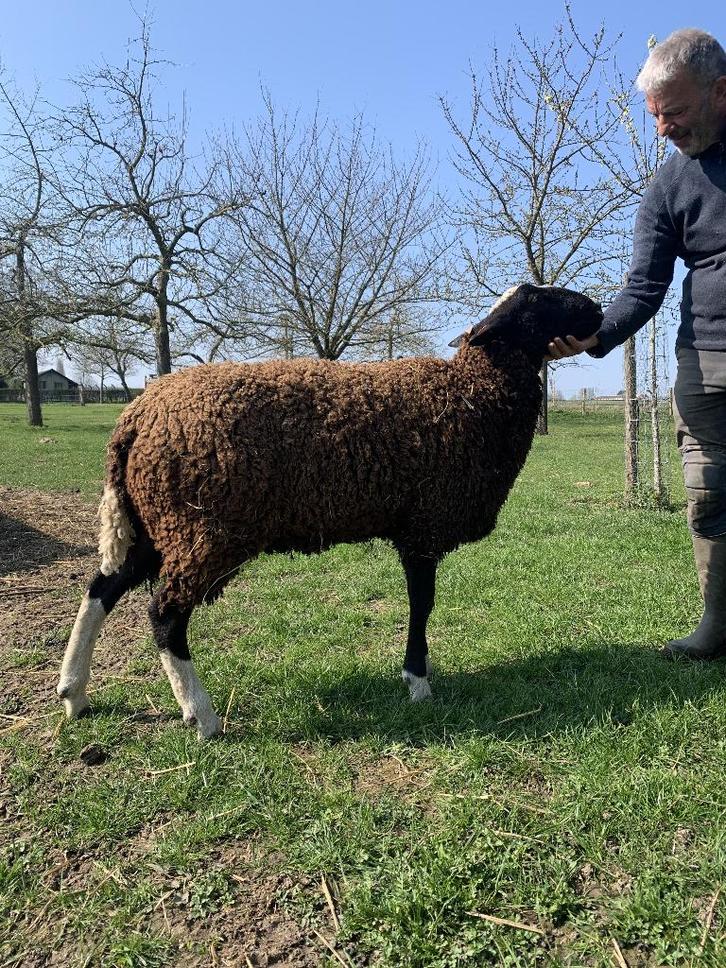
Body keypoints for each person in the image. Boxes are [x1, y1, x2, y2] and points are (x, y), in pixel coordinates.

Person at [548, 27, 726, 659]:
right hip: (705, 361)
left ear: (719, 92)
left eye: (674, 112)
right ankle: (718, 626)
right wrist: (592, 338)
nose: (663, 129)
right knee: (709, 491)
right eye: (655, 117)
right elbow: (645, 285)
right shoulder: (666, 186)